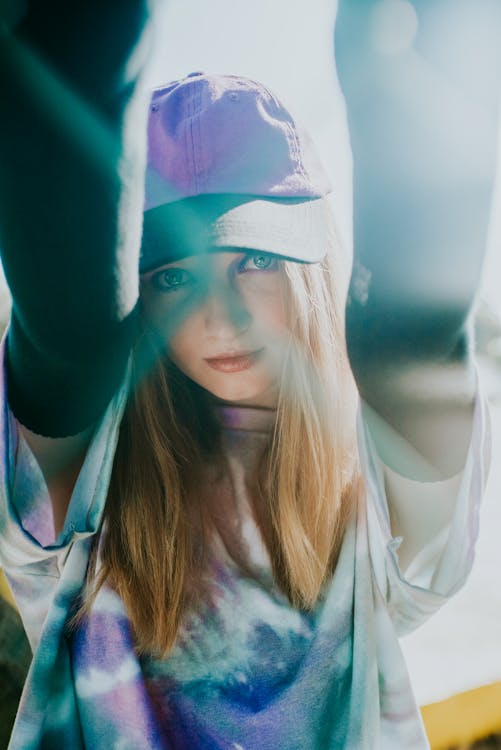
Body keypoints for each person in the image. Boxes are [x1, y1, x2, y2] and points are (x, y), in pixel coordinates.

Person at [0, 3, 494, 749]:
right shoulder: (96, 480)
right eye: (171, 279)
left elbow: (412, 353)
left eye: (255, 261)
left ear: (311, 265)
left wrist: (405, 85)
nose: (219, 318)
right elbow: (65, 334)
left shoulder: (364, 497)